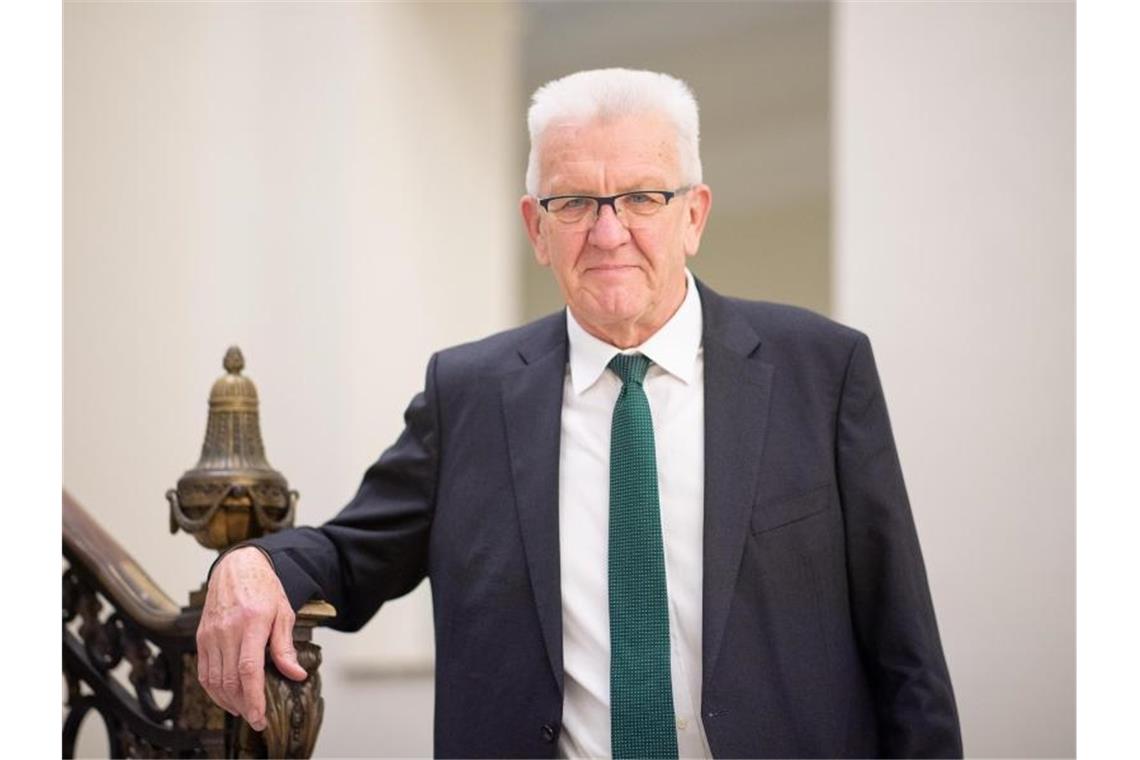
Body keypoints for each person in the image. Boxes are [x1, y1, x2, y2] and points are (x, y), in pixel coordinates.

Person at [197, 68, 962, 759]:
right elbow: (350, 553)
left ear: (693, 215)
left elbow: (906, 656)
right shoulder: (470, 394)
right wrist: (252, 563)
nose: (608, 232)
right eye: (574, 203)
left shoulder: (821, 371)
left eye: (641, 197)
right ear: (537, 226)